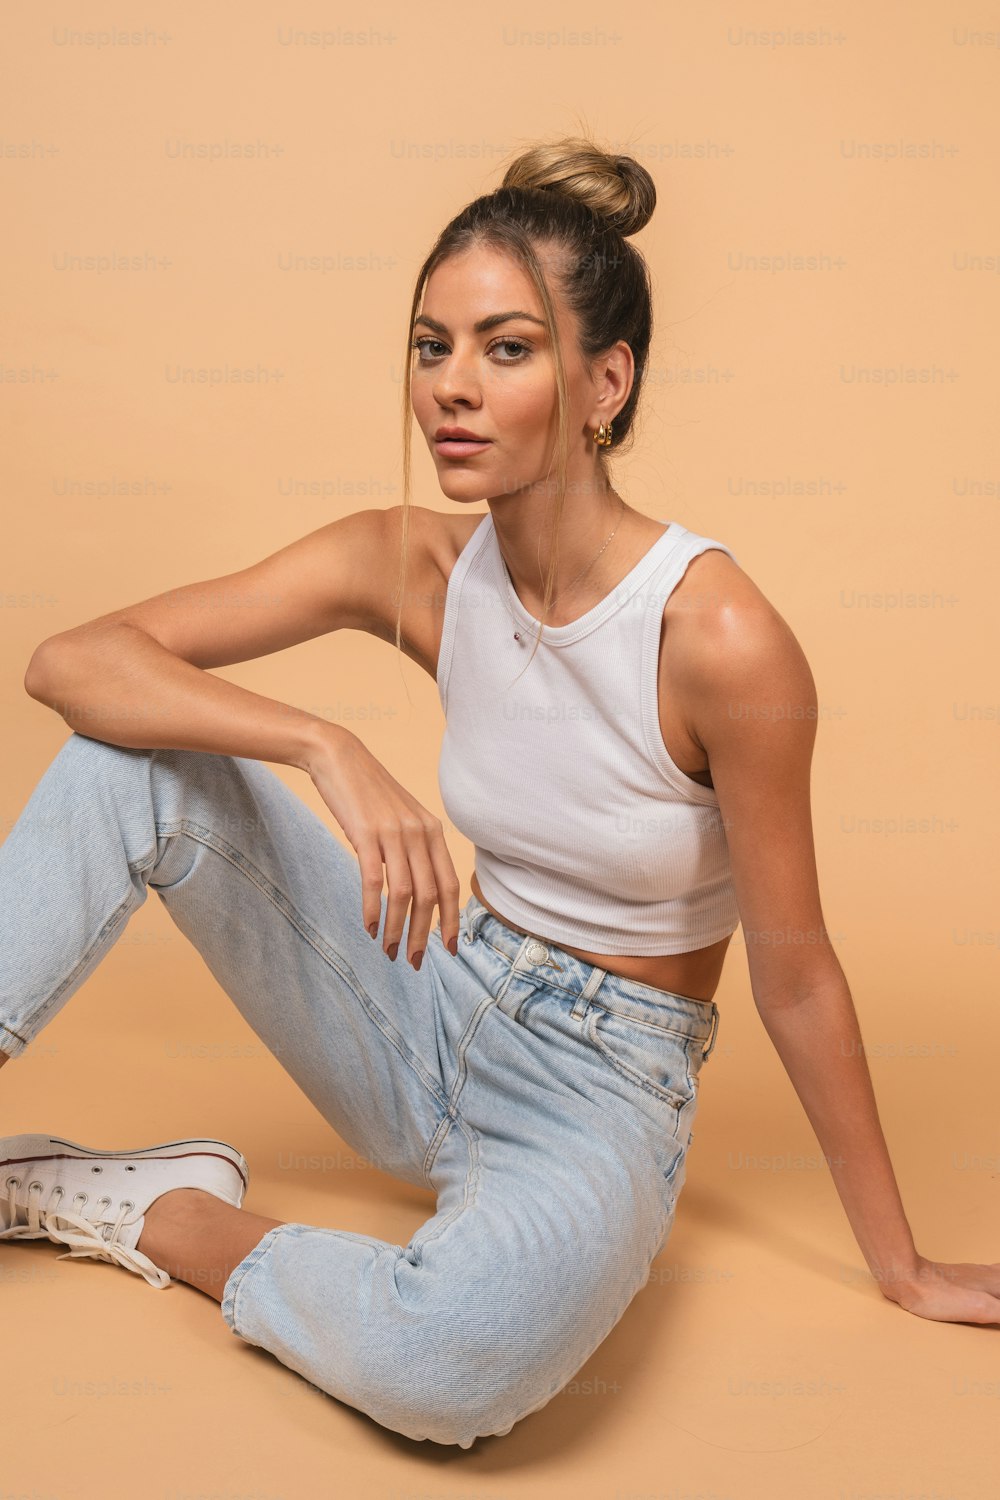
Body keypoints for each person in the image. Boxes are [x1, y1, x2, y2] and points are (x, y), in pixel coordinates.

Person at [1, 134, 997, 1451]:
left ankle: (145, 1207)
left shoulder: (715, 635)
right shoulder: (409, 565)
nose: (452, 390)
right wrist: (323, 742)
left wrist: (903, 1266)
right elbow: (72, 664)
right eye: (432, 347)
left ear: (605, 381)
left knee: (450, 1366)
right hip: (421, 991)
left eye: (506, 349)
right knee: (133, 756)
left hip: (597, 1094)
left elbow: (799, 976)